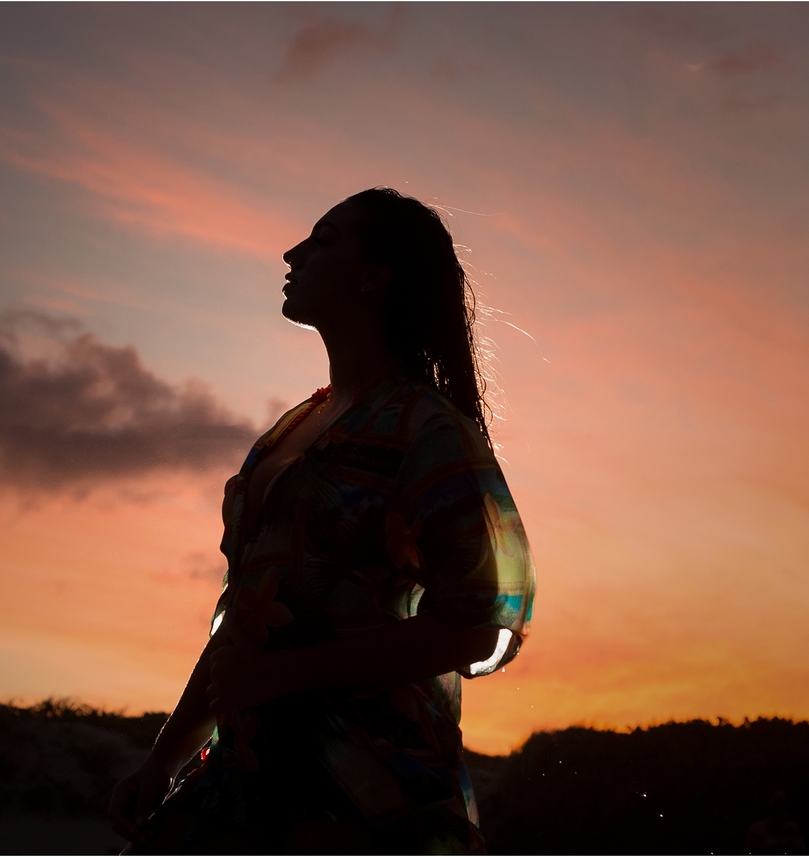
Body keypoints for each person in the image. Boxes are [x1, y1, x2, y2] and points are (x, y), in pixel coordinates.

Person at [108, 188, 535, 854]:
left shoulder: (426, 430)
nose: (292, 253)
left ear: (373, 275)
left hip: (366, 792)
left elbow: (480, 625)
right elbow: (243, 614)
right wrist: (164, 757)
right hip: (244, 774)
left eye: (324, 239)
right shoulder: (289, 434)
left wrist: (285, 675)